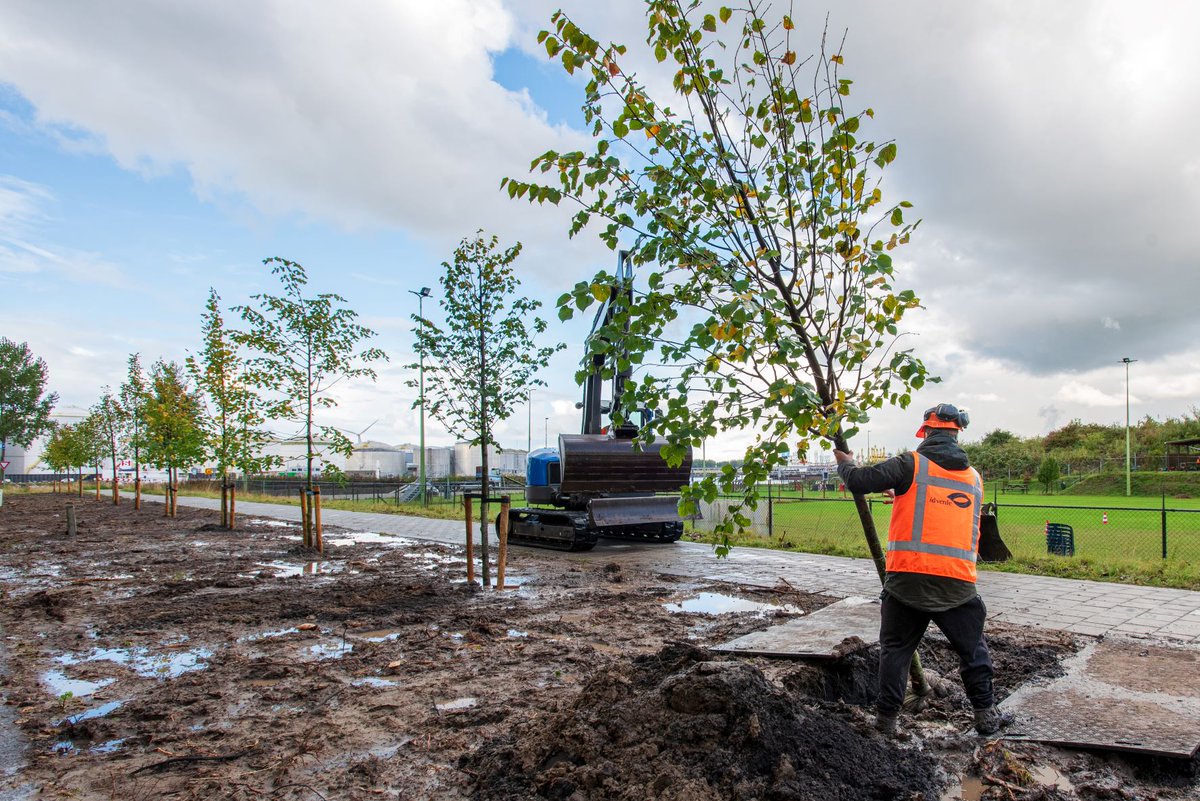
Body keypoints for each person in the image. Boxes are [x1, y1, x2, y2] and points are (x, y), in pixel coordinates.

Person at [833, 403, 1012, 737]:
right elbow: (941, 505)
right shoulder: (973, 478)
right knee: (973, 652)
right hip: (957, 586)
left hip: (907, 584)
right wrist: (901, 492)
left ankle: (886, 722)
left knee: (895, 652)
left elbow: (859, 481)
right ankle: (985, 717)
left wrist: (845, 464)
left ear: (926, 432)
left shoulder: (910, 464)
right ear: (957, 434)